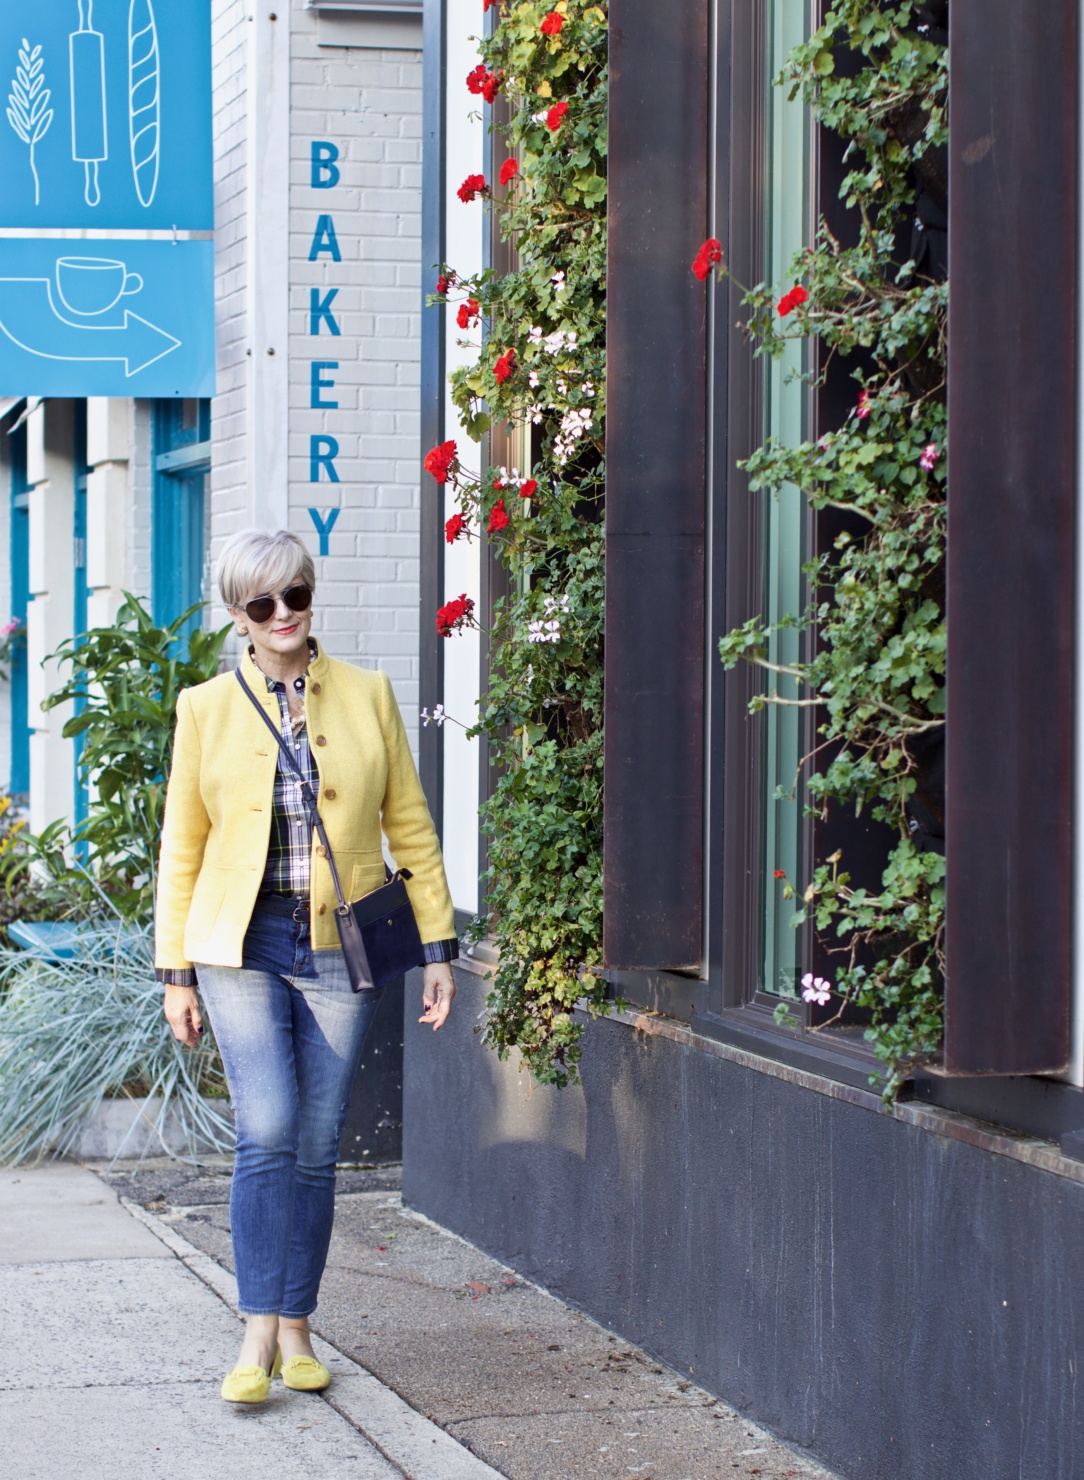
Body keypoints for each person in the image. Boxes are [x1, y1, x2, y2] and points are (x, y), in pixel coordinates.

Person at [156, 528, 457, 1404]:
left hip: (339, 945)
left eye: (296, 595)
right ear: (236, 617)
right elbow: (184, 847)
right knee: (270, 1129)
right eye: (263, 604)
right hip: (240, 945)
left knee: (319, 1144)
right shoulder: (205, 709)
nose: (284, 615)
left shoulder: (368, 695)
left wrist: (437, 949)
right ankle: (257, 1335)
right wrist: (175, 970)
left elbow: (412, 826)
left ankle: (298, 1325)